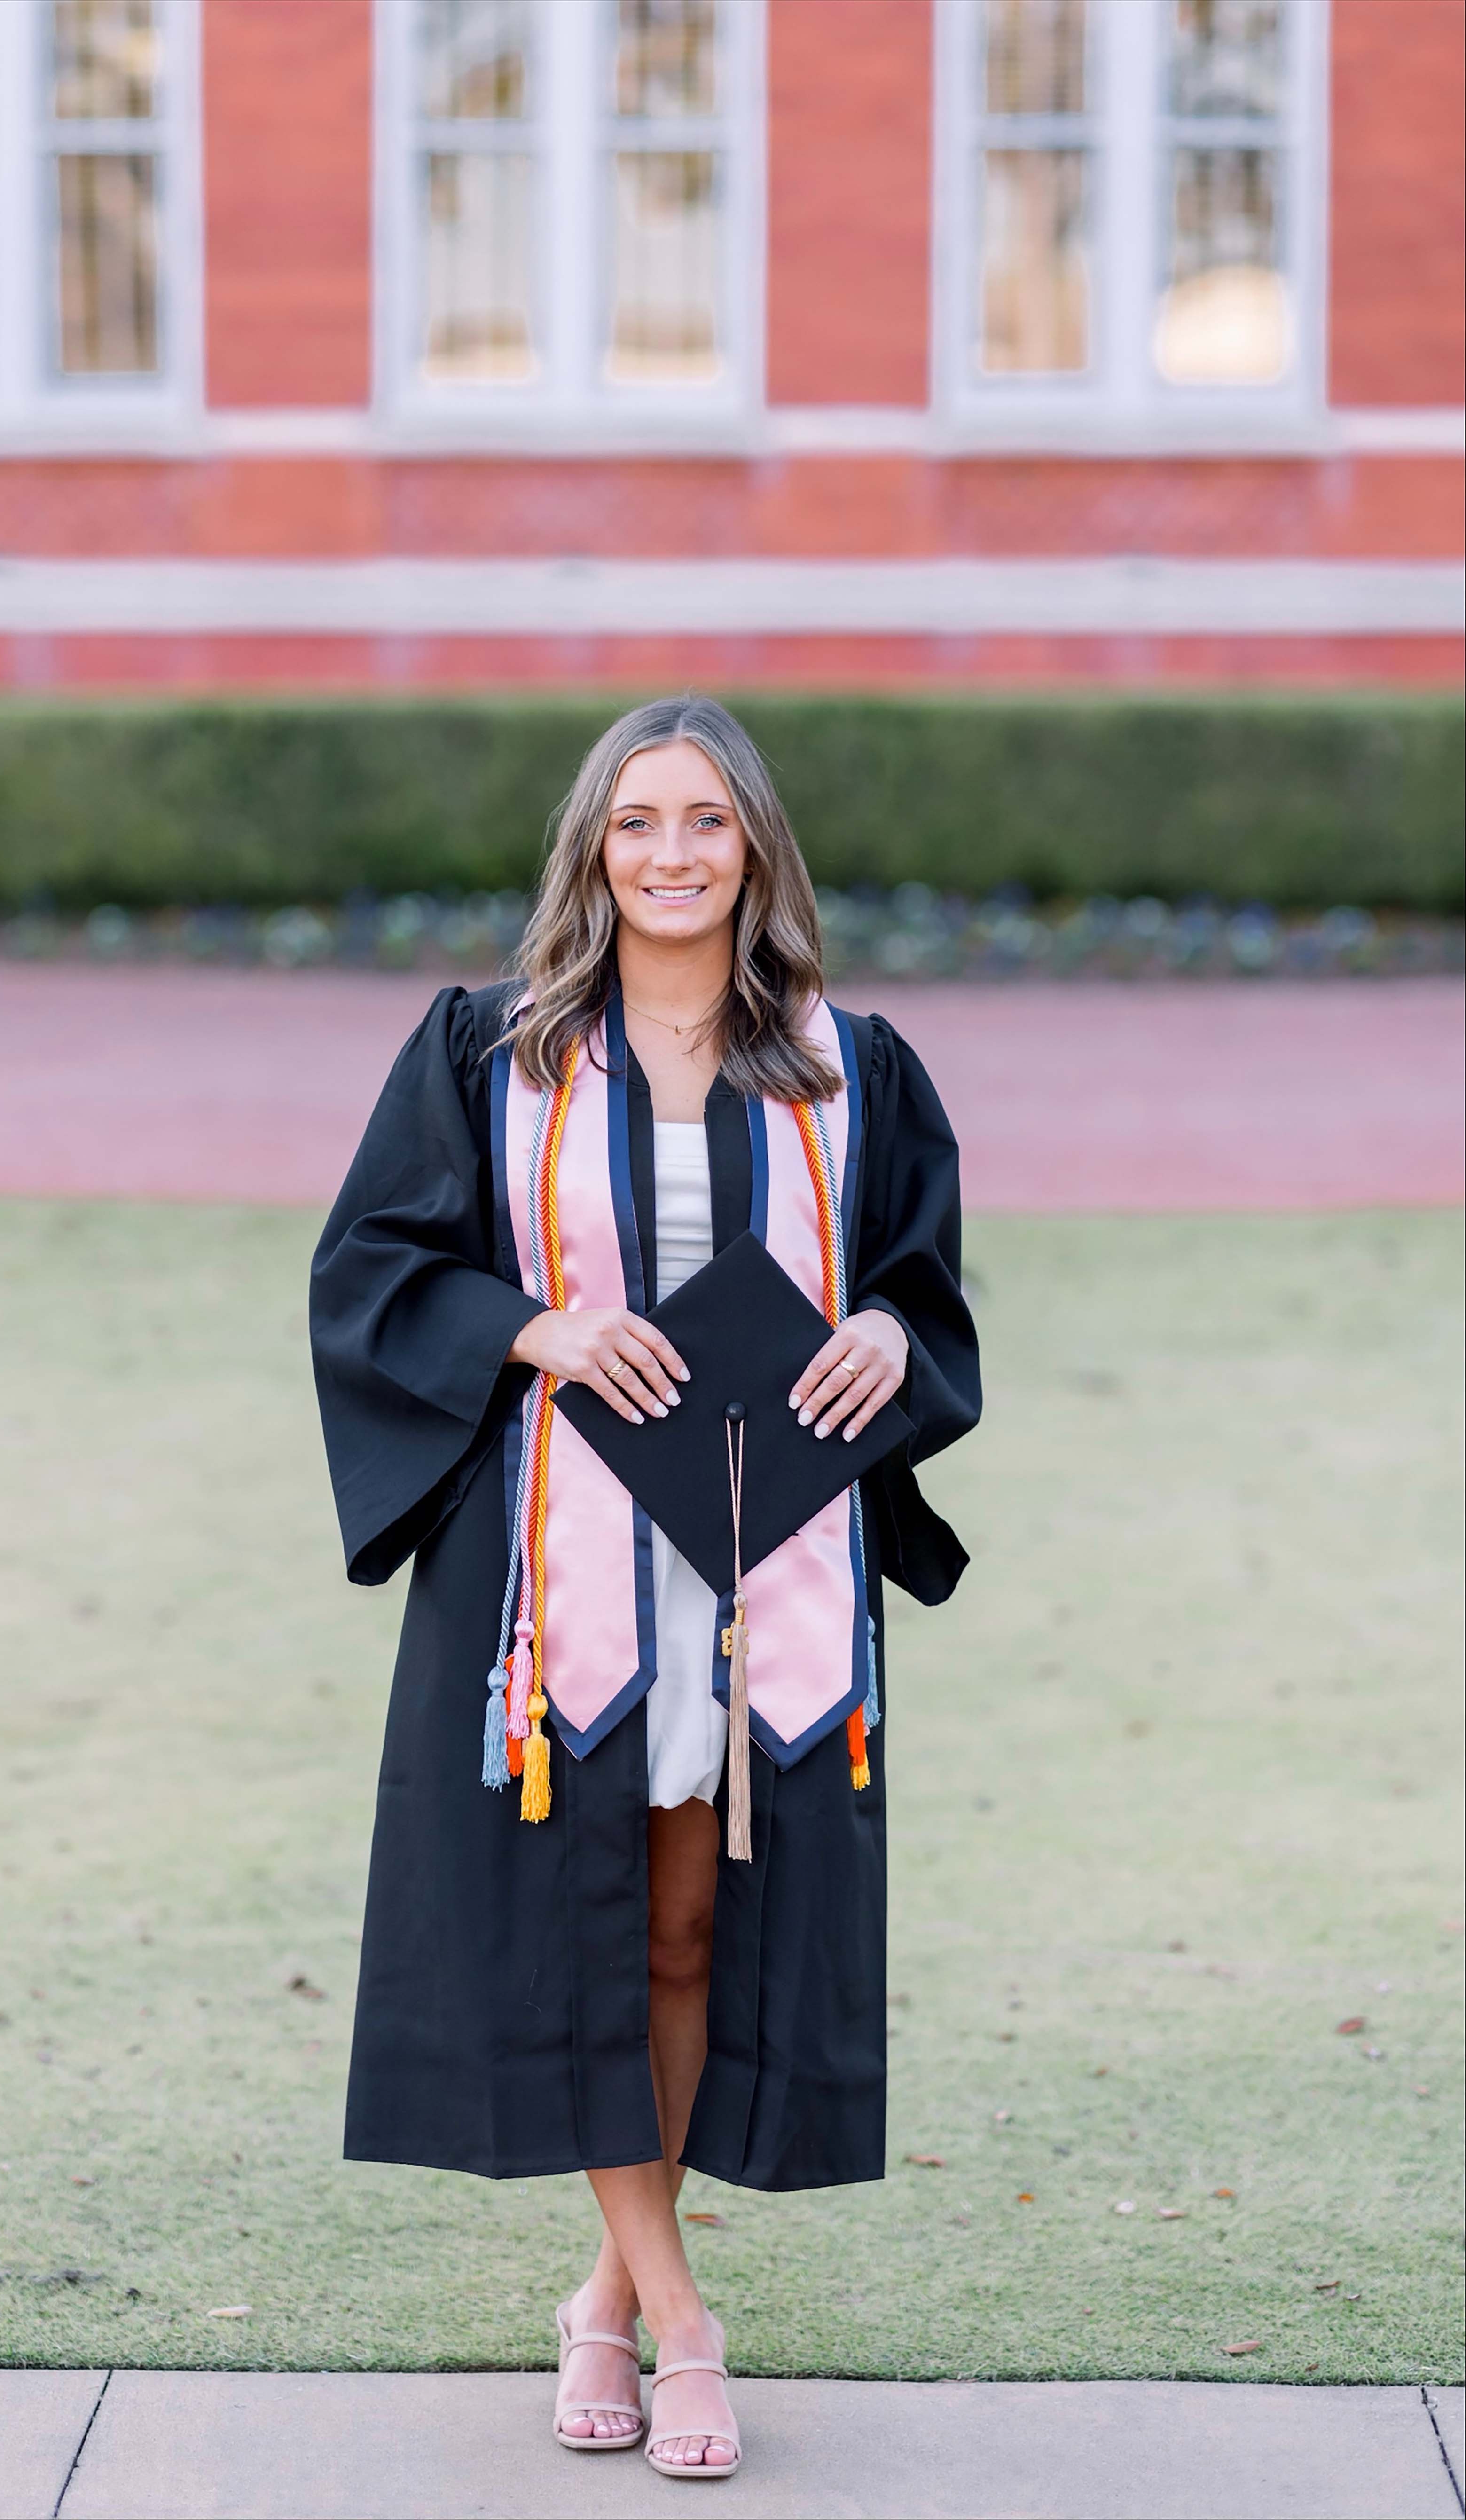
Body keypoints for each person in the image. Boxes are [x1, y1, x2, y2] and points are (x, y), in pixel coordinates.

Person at [311, 696, 980, 2479]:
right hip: (564, 1569)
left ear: (754, 844)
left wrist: (884, 1335)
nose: (670, 855)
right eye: (634, 823)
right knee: (592, 1923)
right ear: (591, 850)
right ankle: (683, 2319)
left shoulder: (859, 1066)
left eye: (704, 822)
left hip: (771, 1569)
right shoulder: (491, 1051)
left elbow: (924, 1289)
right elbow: (377, 1267)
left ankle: (601, 2297)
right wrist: (542, 1323)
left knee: (692, 1932)